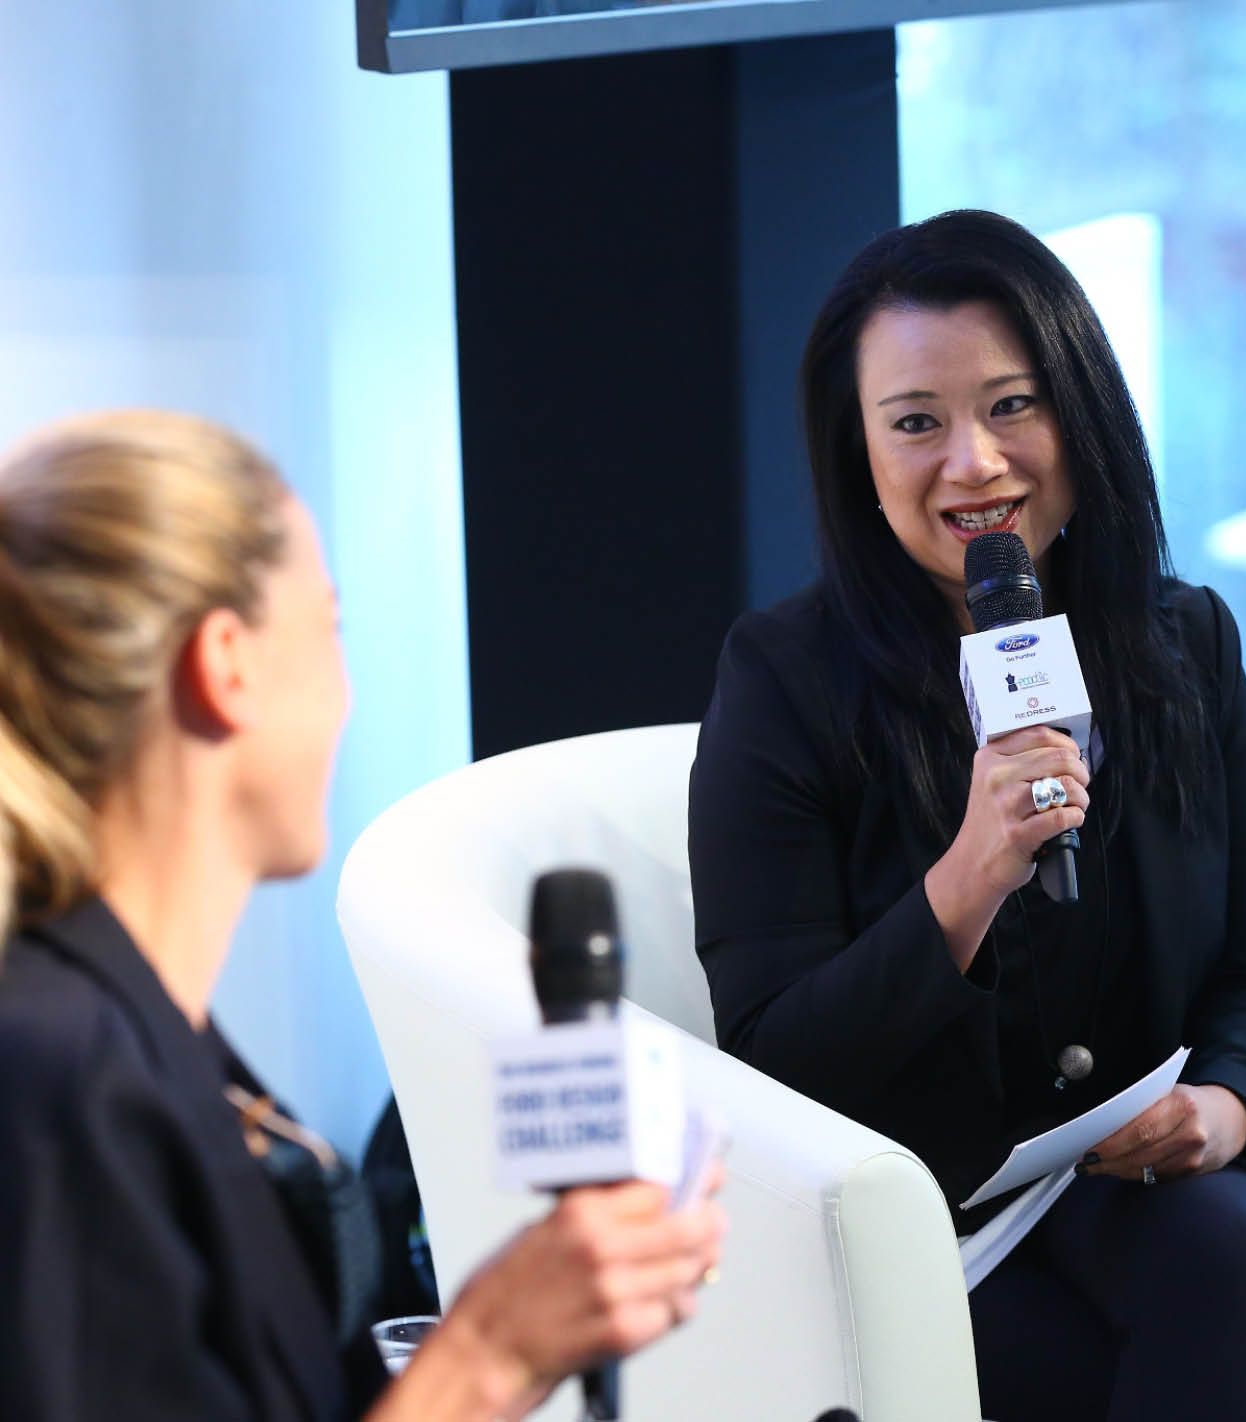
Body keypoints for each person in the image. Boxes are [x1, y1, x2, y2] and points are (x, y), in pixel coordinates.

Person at [688, 210, 1246, 1419]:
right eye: (917, 423)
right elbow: (770, 1064)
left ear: (1081, 412)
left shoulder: (1187, 643)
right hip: (936, 1226)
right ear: (859, 454)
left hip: (1153, 1193)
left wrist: (1228, 1108)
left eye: (1012, 405)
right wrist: (971, 875)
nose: (976, 463)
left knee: (1221, 1241)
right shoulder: (784, 682)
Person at [0, 409, 725, 1421]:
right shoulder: (59, 1074)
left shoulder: (144, 1038)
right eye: (329, 627)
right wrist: (489, 1351)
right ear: (228, 664)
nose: (348, 692)